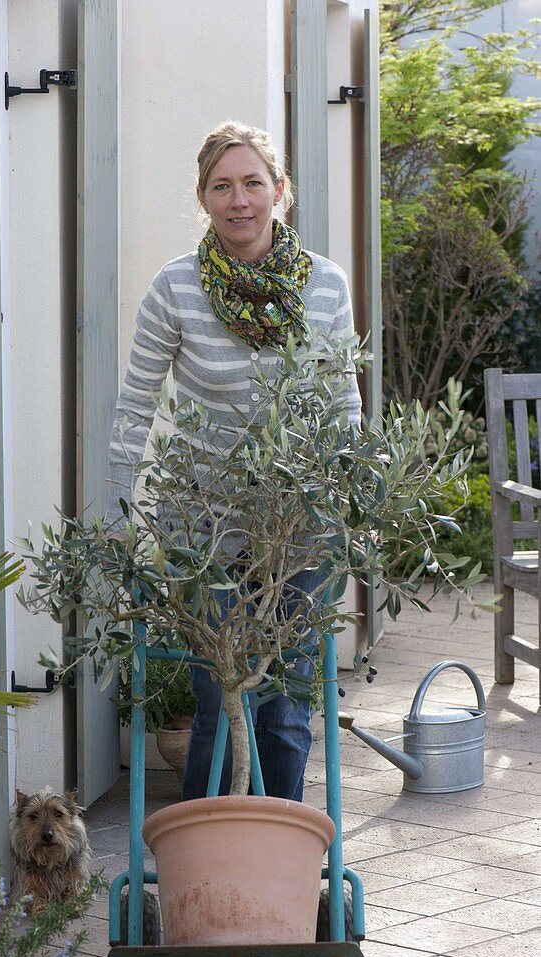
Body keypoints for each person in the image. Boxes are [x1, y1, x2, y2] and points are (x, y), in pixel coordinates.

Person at [106, 120, 362, 801]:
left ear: (282, 191)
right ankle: (207, 875)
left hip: (300, 530)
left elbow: (344, 403)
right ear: (203, 197)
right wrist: (120, 514)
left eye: (253, 183)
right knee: (219, 704)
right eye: (222, 186)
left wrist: (351, 504)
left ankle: (286, 870)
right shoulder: (176, 287)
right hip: (204, 527)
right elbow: (134, 408)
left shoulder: (327, 287)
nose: (239, 200)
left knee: (283, 709)